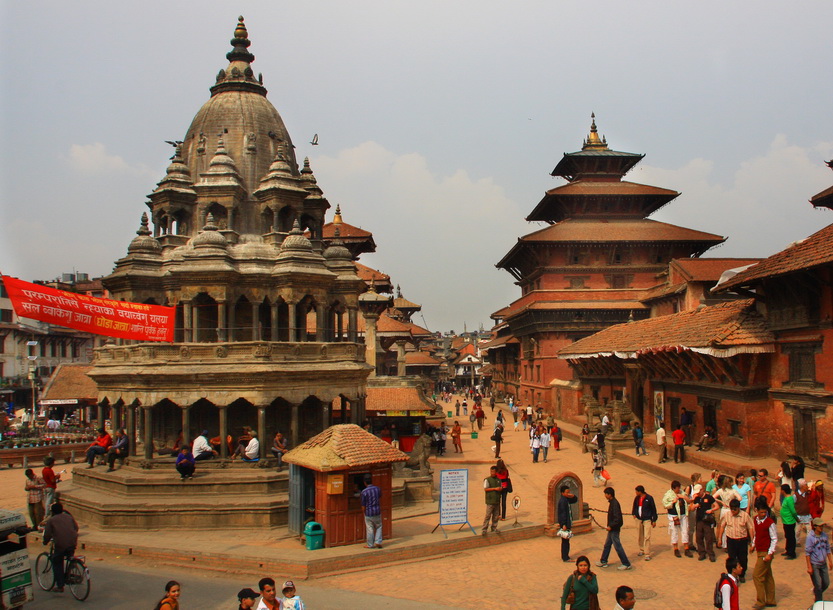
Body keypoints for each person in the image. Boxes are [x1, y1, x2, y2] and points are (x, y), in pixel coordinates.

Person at [42, 502, 78, 594]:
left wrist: (45, 542)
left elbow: (47, 535)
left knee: (56, 562)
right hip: (72, 544)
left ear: (53, 512)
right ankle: (72, 568)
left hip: (61, 546)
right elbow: (76, 528)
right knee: (69, 555)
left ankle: (60, 586)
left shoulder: (51, 520)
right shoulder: (69, 517)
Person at [716, 499, 754, 583]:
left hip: (742, 541)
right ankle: (732, 576)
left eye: (734, 509)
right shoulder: (727, 515)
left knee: (743, 559)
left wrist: (752, 541)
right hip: (731, 540)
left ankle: (742, 574)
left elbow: (750, 528)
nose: (733, 511)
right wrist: (719, 538)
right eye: (731, 509)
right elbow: (722, 526)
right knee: (732, 559)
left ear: (738, 508)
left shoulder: (745, 516)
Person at [750, 498, 777, 609]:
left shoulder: (770, 523)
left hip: (765, 552)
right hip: (759, 551)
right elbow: (757, 534)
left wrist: (769, 554)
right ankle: (771, 600)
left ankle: (761, 601)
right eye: (761, 512)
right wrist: (753, 544)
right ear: (756, 510)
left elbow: (774, 538)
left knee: (757, 576)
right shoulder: (756, 519)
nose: (763, 514)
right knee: (768, 576)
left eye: (764, 512)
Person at [596, 487, 632, 570]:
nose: (605, 496)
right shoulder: (612, 503)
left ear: (609, 494)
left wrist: (610, 526)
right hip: (612, 529)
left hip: (614, 529)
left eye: (606, 494)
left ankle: (626, 563)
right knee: (607, 545)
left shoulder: (615, 504)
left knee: (617, 546)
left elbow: (617, 519)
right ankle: (603, 561)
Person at [662, 480, 693, 558]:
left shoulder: (682, 492)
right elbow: (665, 505)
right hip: (673, 516)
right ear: (673, 488)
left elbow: (689, 501)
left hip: (683, 515)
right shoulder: (668, 495)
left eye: (679, 488)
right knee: (674, 532)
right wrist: (673, 502)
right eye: (677, 488)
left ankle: (686, 548)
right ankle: (675, 549)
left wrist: (684, 497)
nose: (678, 490)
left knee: (685, 531)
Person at [806, 517, 833, 603]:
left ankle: (817, 592)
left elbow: (828, 549)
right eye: (820, 526)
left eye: (822, 526)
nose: (822, 528)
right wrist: (809, 567)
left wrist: (830, 561)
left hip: (823, 563)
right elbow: (807, 553)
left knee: (826, 583)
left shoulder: (824, 535)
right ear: (815, 526)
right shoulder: (810, 537)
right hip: (815, 564)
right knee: (818, 585)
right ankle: (818, 602)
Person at [692, 483, 719, 562]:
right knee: (699, 537)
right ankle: (702, 553)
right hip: (699, 520)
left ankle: (711, 553)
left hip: (707, 520)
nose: (697, 494)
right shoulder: (696, 498)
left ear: (702, 490)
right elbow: (692, 508)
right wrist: (695, 505)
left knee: (709, 538)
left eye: (698, 492)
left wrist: (711, 510)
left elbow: (716, 506)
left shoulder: (709, 497)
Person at [631, 485, 657, 561]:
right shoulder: (637, 498)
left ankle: (647, 553)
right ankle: (641, 549)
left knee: (647, 536)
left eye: (636, 491)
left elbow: (653, 509)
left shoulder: (649, 498)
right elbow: (634, 507)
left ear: (640, 492)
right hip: (639, 519)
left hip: (647, 519)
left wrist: (654, 520)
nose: (635, 493)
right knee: (640, 535)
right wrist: (634, 514)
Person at [360, 473, 383, 548]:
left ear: (364, 482)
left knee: (370, 528)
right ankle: (378, 541)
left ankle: (370, 544)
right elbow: (380, 496)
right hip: (377, 511)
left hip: (369, 513)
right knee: (379, 526)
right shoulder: (377, 489)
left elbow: (363, 505)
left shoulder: (364, 492)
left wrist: (363, 512)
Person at [558, 484, 578, 562]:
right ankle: (565, 557)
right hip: (565, 524)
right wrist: (563, 524)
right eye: (567, 492)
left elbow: (574, 500)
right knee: (565, 542)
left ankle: (565, 556)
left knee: (566, 541)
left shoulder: (566, 499)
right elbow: (562, 513)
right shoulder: (562, 501)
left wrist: (572, 496)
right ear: (562, 493)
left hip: (567, 523)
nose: (568, 493)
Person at [482, 465, 502, 535]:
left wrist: (500, 489)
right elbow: (485, 489)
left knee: (496, 516)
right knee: (488, 515)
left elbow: (501, 487)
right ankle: (484, 529)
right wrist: (494, 489)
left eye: (493, 471)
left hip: (497, 500)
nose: (492, 472)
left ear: (496, 472)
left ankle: (494, 527)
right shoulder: (487, 480)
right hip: (490, 500)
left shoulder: (498, 480)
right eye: (491, 471)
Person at [780, 483, 798, 559]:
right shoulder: (786, 498)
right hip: (786, 521)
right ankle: (788, 550)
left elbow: (793, 511)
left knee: (791, 537)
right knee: (787, 536)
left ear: (783, 491)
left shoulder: (789, 499)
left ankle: (792, 553)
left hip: (789, 521)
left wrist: (796, 518)